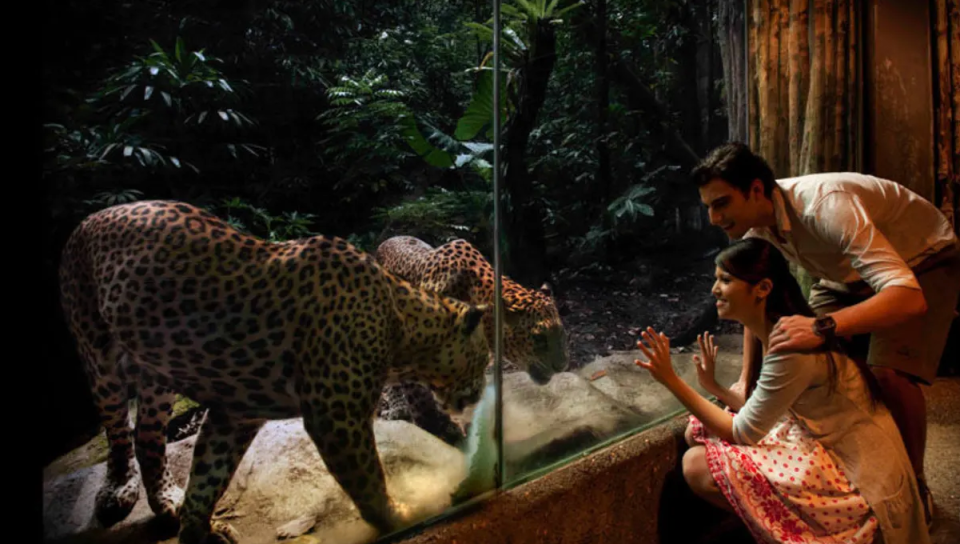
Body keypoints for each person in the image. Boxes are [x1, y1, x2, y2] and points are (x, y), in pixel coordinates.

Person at [690, 142, 960, 522]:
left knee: (888, 372)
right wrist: (743, 382)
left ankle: (913, 491)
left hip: (921, 264)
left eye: (721, 204)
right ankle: (841, 469)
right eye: (708, 207)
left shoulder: (825, 207)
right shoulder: (758, 228)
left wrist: (822, 325)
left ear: (754, 190)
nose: (714, 217)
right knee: (798, 349)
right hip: (844, 276)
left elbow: (907, 297)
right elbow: (761, 313)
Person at [635, 237, 930, 544]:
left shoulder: (788, 348)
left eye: (725, 280)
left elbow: (743, 432)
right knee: (697, 431)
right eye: (715, 279)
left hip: (856, 474)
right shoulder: (779, 329)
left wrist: (671, 379)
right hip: (818, 442)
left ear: (762, 288)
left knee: (696, 465)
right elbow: (763, 410)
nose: (714, 290)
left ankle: (804, 534)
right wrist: (714, 387)